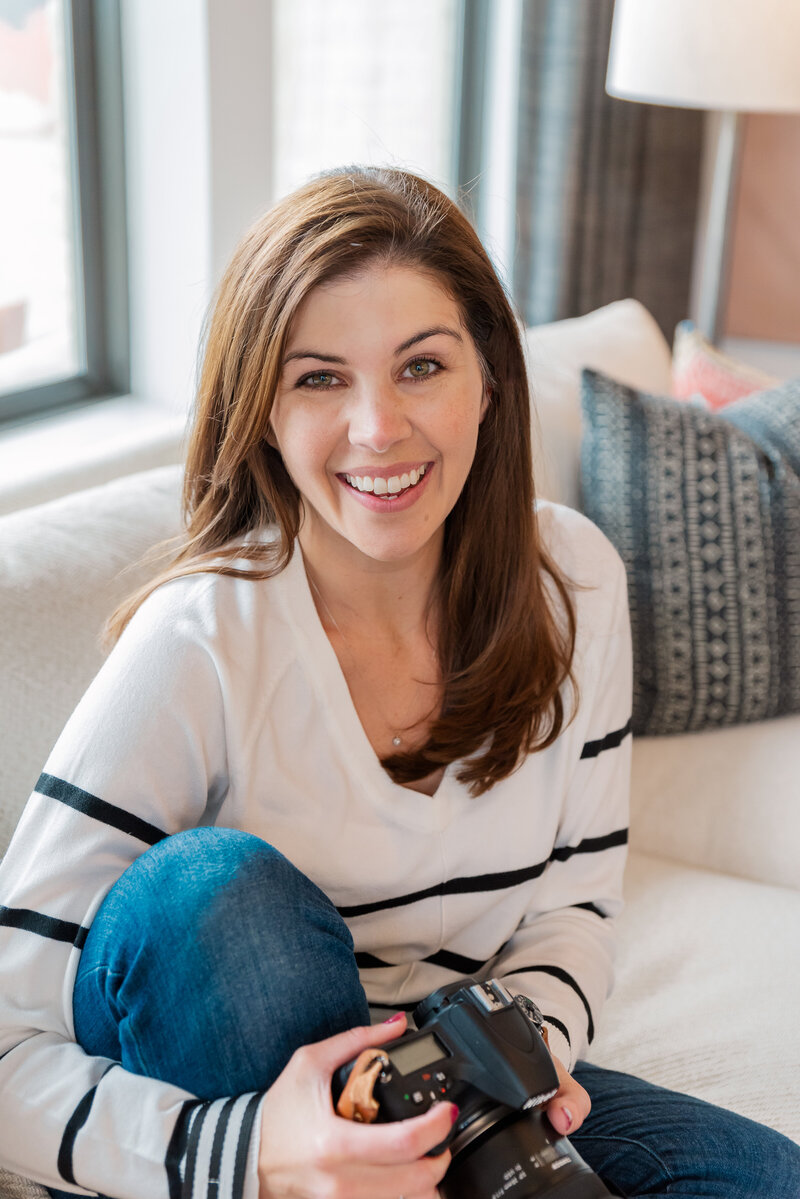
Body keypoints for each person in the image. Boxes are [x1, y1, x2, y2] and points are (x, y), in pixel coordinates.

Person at [0, 166, 797, 1199]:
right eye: (319, 378)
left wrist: (530, 1050)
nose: (378, 429)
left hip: (448, 1077)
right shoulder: (197, 640)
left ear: (488, 381)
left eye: (420, 366)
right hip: (238, 1090)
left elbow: (573, 908)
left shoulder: (572, 584)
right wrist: (253, 1148)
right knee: (211, 896)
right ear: (264, 414)